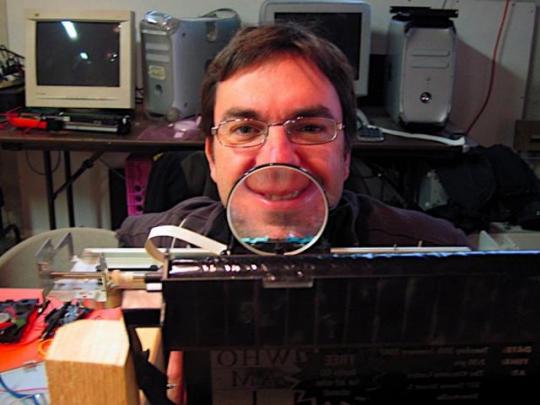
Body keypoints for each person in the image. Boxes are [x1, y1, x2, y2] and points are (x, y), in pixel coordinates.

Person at [117, 23, 469, 251]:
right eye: (245, 129)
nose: (278, 158)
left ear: (346, 154)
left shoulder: (433, 251)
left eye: (310, 128)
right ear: (211, 156)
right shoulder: (148, 245)